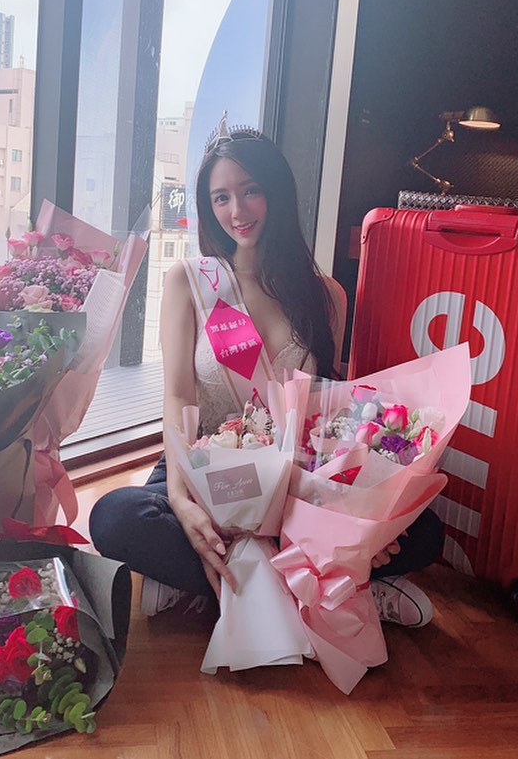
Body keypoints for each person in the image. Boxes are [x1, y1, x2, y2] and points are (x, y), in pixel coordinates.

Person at [89, 120, 442, 627]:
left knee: (426, 532)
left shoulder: (327, 296)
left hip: (294, 479)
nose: (237, 211)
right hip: (205, 470)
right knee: (115, 517)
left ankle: (213, 585)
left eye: (250, 190)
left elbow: (325, 409)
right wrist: (181, 500)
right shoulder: (189, 281)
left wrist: (349, 509)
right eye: (221, 198)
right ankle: (333, 583)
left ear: (276, 191)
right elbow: (177, 398)